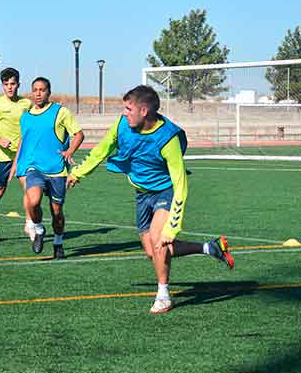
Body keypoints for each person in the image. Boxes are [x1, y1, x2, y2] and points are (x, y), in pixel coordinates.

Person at [66, 85, 234, 314]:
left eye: (128, 108)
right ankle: (209, 248)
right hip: (141, 193)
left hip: (166, 192)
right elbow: (101, 150)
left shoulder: (167, 139)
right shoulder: (122, 125)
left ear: (143, 110)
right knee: (152, 251)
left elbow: (180, 184)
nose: (124, 113)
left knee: (159, 239)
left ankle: (164, 295)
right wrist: (78, 173)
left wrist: (173, 227)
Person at [13, 76, 84, 257]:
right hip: (33, 167)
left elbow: (78, 134)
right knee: (33, 201)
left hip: (56, 170)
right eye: (35, 90)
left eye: (42, 90)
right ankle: (38, 228)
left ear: (48, 92)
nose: (38, 93)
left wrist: (69, 151)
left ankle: (58, 242)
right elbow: (24, 141)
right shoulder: (26, 117)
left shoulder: (61, 112)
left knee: (57, 213)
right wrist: (17, 164)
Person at [0, 67, 32, 241]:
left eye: (13, 83)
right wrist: (0, 139)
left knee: (29, 188)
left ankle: (29, 224)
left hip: (24, 155)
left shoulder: (27, 104)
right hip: (3, 156)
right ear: (2, 86)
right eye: (6, 84)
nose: (10, 87)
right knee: (0, 189)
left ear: (18, 84)